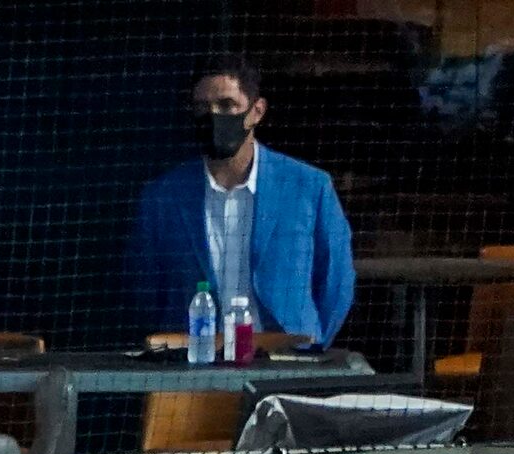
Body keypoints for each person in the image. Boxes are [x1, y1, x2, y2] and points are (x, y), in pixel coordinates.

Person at [127, 59, 355, 345]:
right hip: (194, 365)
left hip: (286, 360)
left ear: (256, 111)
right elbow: (146, 290)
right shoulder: (164, 197)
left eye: (227, 105)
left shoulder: (308, 187)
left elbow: (337, 282)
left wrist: (311, 348)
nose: (213, 116)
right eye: (202, 108)